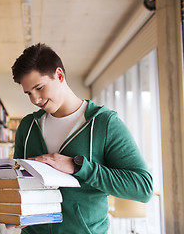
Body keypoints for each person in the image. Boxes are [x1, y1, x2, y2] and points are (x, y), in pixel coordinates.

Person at [11, 43, 153, 234]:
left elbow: (143, 187)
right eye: (29, 93)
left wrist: (78, 166)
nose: (35, 99)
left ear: (59, 75)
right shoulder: (27, 126)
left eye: (39, 88)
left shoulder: (105, 123)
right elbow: (17, 181)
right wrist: (13, 208)